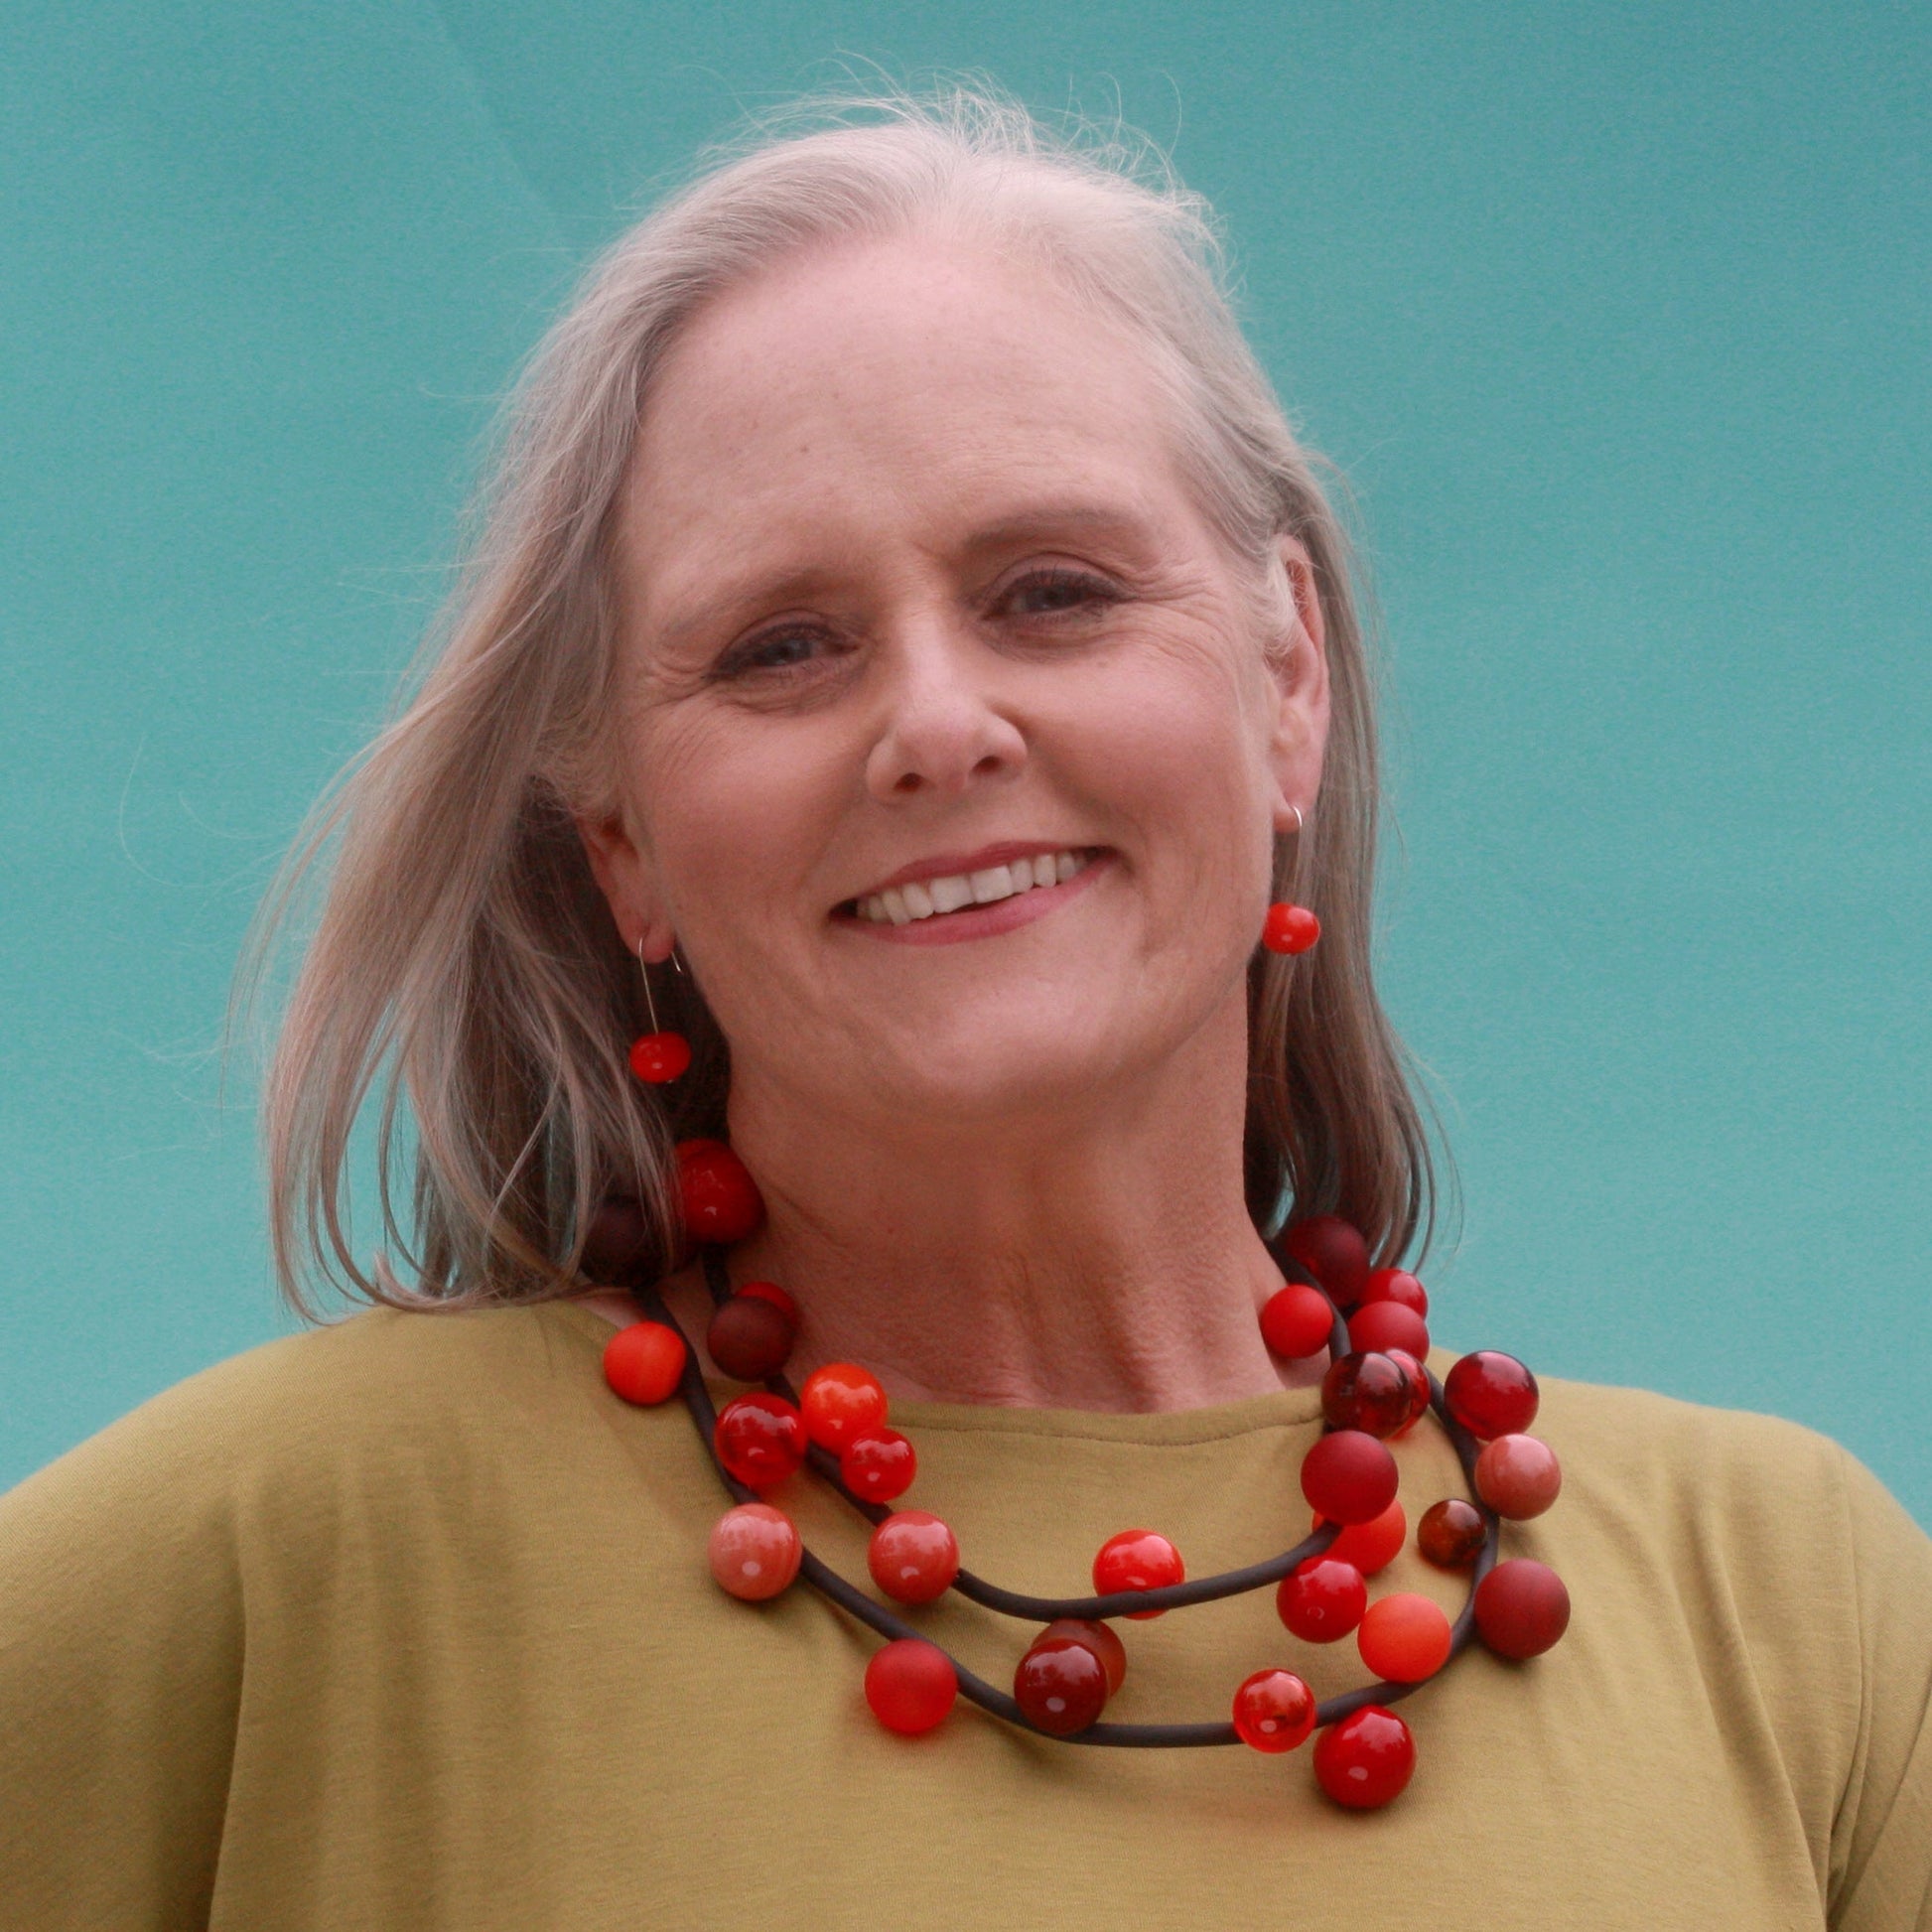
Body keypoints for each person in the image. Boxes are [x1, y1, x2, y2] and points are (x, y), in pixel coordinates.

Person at [2, 90, 1927, 1930]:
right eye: (780, 647)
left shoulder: (1795, 1610)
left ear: (1285, 678)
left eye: (1054, 592)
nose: (934, 725)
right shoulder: (262, 1584)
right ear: (621, 843)